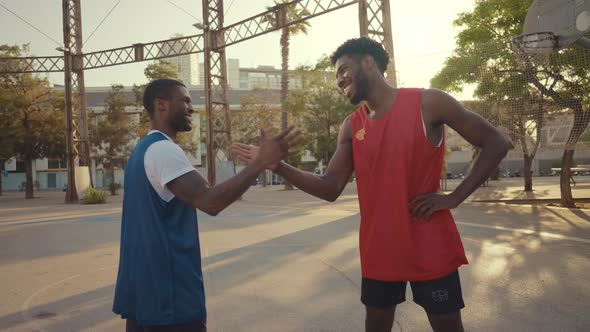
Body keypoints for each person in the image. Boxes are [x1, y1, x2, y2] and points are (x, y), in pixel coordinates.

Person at [232, 37, 510, 332]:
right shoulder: (352, 126)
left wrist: (455, 197)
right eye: (337, 75)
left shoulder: (428, 103)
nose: (339, 80)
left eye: (343, 69)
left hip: (429, 240)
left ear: (368, 62)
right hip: (380, 245)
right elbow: (329, 187)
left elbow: (496, 143)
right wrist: (278, 166)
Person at [113, 78, 301, 332]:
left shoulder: (141, 152)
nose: (191, 108)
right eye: (185, 101)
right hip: (170, 298)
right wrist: (259, 163)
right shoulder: (163, 151)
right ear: (161, 105)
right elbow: (210, 201)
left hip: (144, 294)